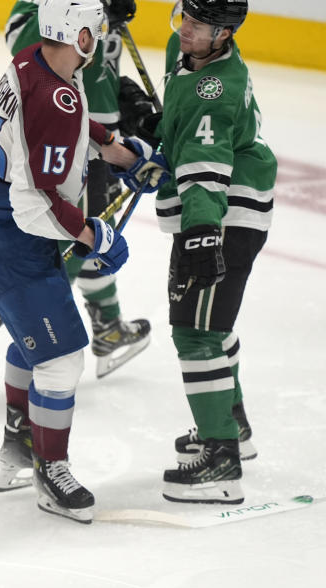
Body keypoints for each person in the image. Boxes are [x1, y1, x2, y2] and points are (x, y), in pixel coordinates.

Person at [0, 0, 168, 523]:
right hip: (6, 228)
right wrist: (93, 233)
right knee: (63, 356)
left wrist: (121, 151)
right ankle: (51, 470)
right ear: (78, 35)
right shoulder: (55, 95)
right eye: (93, 31)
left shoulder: (38, 59)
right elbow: (35, 205)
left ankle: (18, 446)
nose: (98, 39)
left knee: (35, 337)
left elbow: (68, 128)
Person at [152, 0, 275, 504]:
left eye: (199, 26)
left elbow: (206, 164)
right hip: (225, 207)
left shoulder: (215, 88)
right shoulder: (185, 54)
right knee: (213, 325)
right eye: (185, 17)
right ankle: (234, 426)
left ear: (224, 34)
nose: (186, 30)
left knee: (196, 331)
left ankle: (222, 462)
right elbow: (179, 133)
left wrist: (202, 232)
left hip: (221, 213)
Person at [5, 0, 153, 383]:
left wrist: (127, 101)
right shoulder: (61, 5)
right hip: (70, 137)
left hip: (99, 137)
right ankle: (42, 328)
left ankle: (105, 324)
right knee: (72, 236)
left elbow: (98, 70)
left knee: (94, 232)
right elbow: (22, 37)